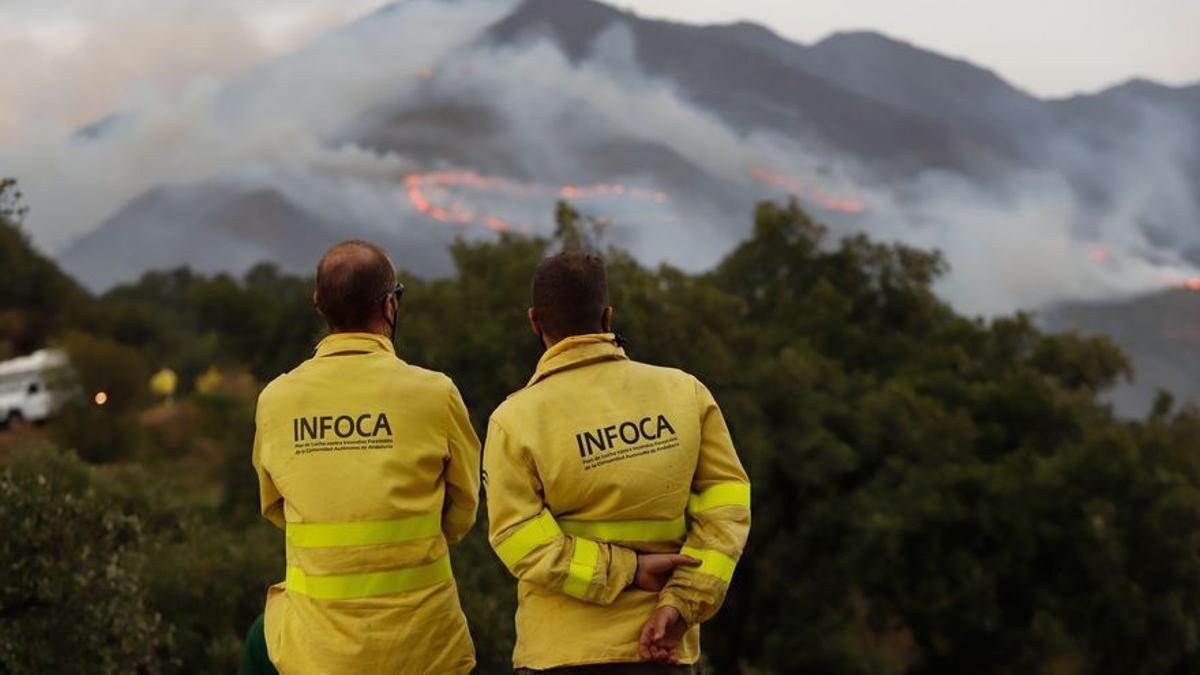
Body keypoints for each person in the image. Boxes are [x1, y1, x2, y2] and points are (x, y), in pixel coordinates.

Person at [484, 251, 752, 673]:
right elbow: (728, 512)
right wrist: (681, 604)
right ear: (607, 317)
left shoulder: (514, 420)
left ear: (534, 321)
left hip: (558, 655)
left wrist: (627, 571)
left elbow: (520, 542)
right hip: (662, 653)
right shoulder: (686, 394)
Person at [242, 240, 481, 674]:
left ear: (319, 304)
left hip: (317, 654)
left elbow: (274, 506)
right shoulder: (436, 393)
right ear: (390, 306)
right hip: (425, 649)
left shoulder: (277, 399)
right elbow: (464, 505)